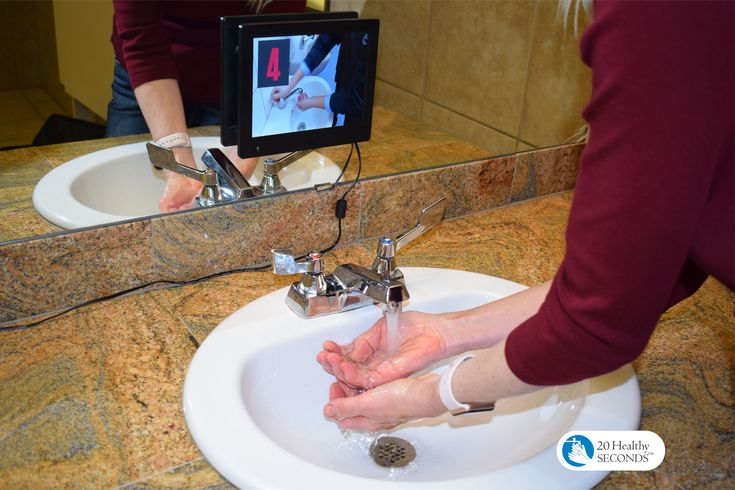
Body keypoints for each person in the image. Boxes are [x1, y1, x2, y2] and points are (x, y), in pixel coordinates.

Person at [317, 0, 734, 431]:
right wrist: (443, 333)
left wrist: (429, 397)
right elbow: (642, 278)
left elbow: (595, 324)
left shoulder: (658, 14)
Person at [106, 0, 305, 212]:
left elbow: (274, 37)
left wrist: (243, 155)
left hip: (236, 82)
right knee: (116, 195)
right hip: (146, 78)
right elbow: (143, 40)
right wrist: (179, 166)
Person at [271, 31, 368, 126]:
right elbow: (326, 41)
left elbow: (355, 99)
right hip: (346, 71)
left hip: (364, 112)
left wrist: (311, 102)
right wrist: (289, 86)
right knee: (337, 112)